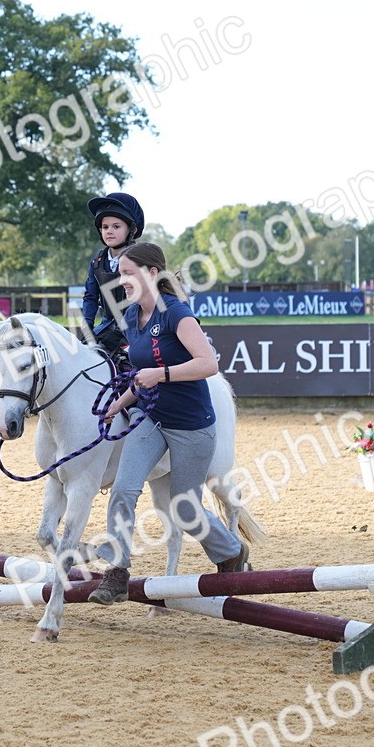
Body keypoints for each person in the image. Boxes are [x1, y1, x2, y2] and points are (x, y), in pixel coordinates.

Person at [88, 242, 249, 605]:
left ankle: (231, 552)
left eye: (129, 274)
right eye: (120, 274)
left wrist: (160, 374)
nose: (122, 281)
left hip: (192, 425)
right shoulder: (131, 318)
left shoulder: (177, 314)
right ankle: (117, 573)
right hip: (151, 417)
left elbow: (208, 364)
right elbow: (139, 376)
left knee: (186, 508)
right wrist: (119, 403)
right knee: (124, 491)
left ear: (152, 274)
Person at [81, 192, 143, 362]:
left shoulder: (140, 258)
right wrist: (87, 329)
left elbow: (140, 302)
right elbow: (90, 297)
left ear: (132, 229)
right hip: (106, 327)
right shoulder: (97, 260)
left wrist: (119, 333)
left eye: (116, 227)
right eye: (105, 227)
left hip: (137, 329)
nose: (109, 231)